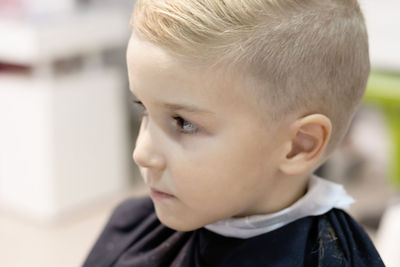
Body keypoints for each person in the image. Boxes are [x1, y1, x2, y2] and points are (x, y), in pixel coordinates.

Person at [83, 0, 385, 266]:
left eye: (183, 122)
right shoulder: (133, 225)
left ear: (299, 145)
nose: (141, 153)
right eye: (144, 107)